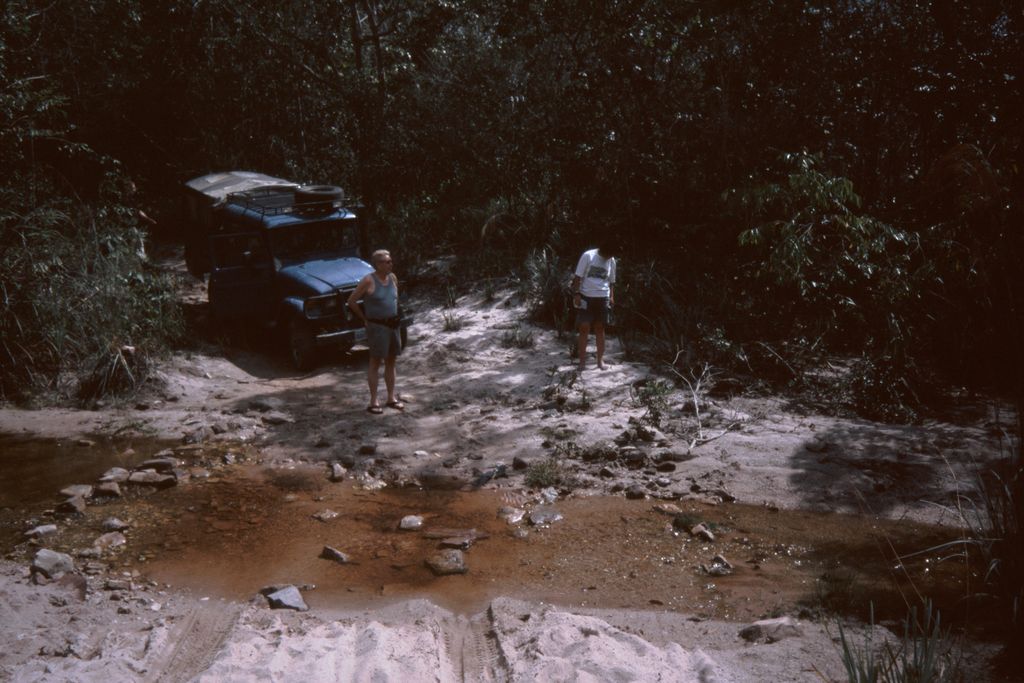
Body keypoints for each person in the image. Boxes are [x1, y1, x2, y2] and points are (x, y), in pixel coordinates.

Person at [347, 249, 404, 413]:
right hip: (377, 327)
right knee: (375, 362)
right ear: (378, 264)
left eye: (390, 261)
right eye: (387, 262)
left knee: (391, 361)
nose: (390, 264)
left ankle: (391, 398)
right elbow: (351, 301)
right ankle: (373, 401)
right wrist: (364, 319)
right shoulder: (368, 280)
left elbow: (394, 299)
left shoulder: (392, 278)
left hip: (393, 325)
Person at [571, 241, 617, 371]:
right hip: (586, 297)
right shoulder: (588, 256)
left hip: (603, 298)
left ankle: (600, 361)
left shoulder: (611, 260)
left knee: (600, 328)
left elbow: (611, 281)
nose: (610, 256)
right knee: (584, 327)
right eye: (609, 254)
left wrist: (612, 296)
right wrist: (576, 293)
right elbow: (577, 277)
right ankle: (582, 362)